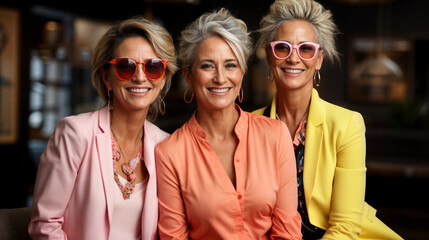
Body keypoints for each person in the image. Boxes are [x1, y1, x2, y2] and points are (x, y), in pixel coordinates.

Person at [253, 0, 403, 239]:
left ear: (319, 58)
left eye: (306, 49)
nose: (293, 59)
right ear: (270, 57)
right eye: (283, 48)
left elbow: (345, 226)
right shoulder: (248, 125)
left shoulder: (347, 124)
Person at [155, 8, 302, 240]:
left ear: (242, 72)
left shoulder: (275, 135)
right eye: (207, 66)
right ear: (189, 76)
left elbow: (288, 232)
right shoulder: (170, 153)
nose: (220, 78)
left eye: (230, 65)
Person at [28, 16, 178, 240]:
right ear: (107, 77)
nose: (139, 77)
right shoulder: (74, 134)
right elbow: (45, 226)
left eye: (152, 67)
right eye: (125, 67)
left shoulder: (166, 145)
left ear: (163, 79)